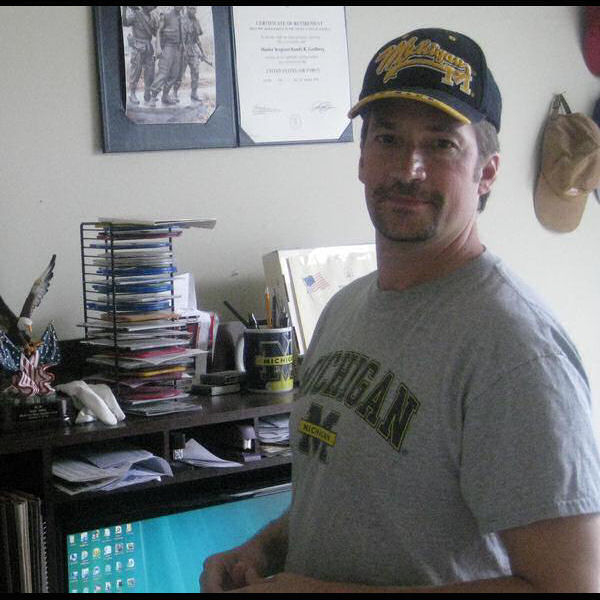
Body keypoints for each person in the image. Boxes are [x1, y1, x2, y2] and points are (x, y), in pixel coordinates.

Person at [199, 28, 600, 593]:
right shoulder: (343, 310)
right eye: (388, 138)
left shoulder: (515, 352)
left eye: (442, 145)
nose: (409, 168)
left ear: (486, 172)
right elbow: (350, 498)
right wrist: (262, 549)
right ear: (362, 159)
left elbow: (571, 586)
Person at [121, 6, 159, 105]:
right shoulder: (136, 14)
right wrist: (124, 9)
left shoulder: (153, 17)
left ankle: (147, 93)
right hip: (138, 46)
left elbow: (155, 33)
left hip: (148, 47)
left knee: (150, 72)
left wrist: (159, 25)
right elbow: (125, 23)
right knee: (136, 71)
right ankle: (132, 93)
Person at [148, 6, 184, 106]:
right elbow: (158, 31)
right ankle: (153, 97)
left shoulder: (181, 17)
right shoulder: (166, 15)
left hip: (178, 48)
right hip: (168, 46)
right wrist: (158, 47)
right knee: (163, 73)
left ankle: (165, 96)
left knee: (174, 74)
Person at [173, 6, 207, 103]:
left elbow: (197, 39)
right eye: (191, 8)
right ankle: (174, 92)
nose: (193, 11)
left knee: (196, 72)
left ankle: (194, 93)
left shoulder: (196, 21)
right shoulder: (181, 19)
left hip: (193, 49)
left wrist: (202, 53)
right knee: (180, 73)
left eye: (195, 9)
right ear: (187, 8)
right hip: (182, 49)